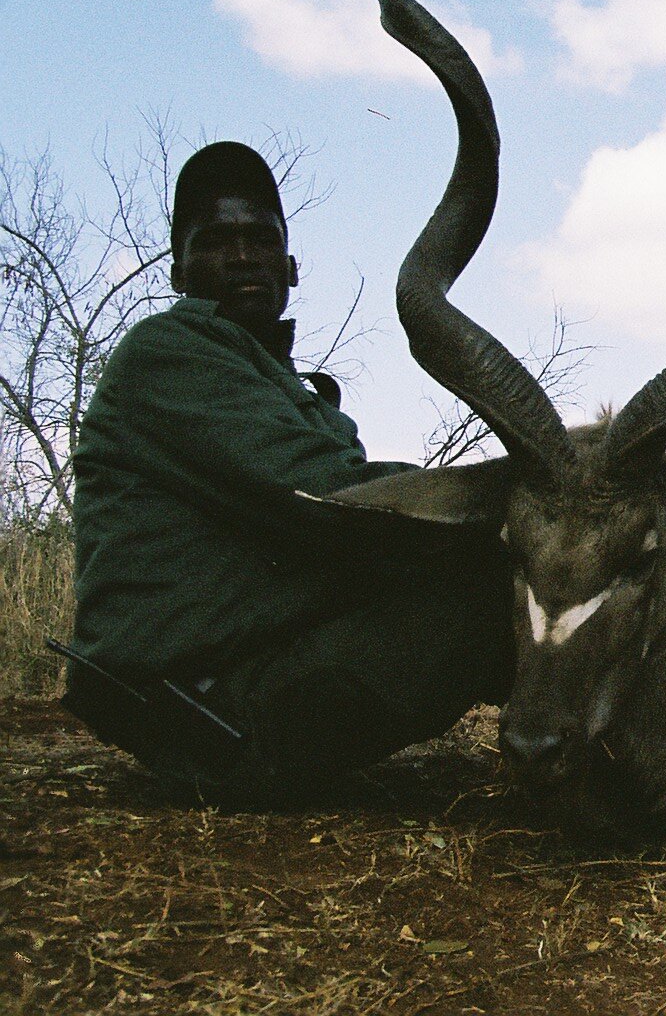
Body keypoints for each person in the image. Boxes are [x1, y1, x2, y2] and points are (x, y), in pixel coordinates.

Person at [60, 141, 514, 803]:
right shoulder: (165, 354)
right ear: (179, 271)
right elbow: (329, 502)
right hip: (215, 719)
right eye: (217, 240)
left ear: (291, 264)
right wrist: (519, 489)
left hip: (251, 686)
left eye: (261, 239)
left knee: (541, 576)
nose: (243, 255)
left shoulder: (289, 395)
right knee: (498, 593)